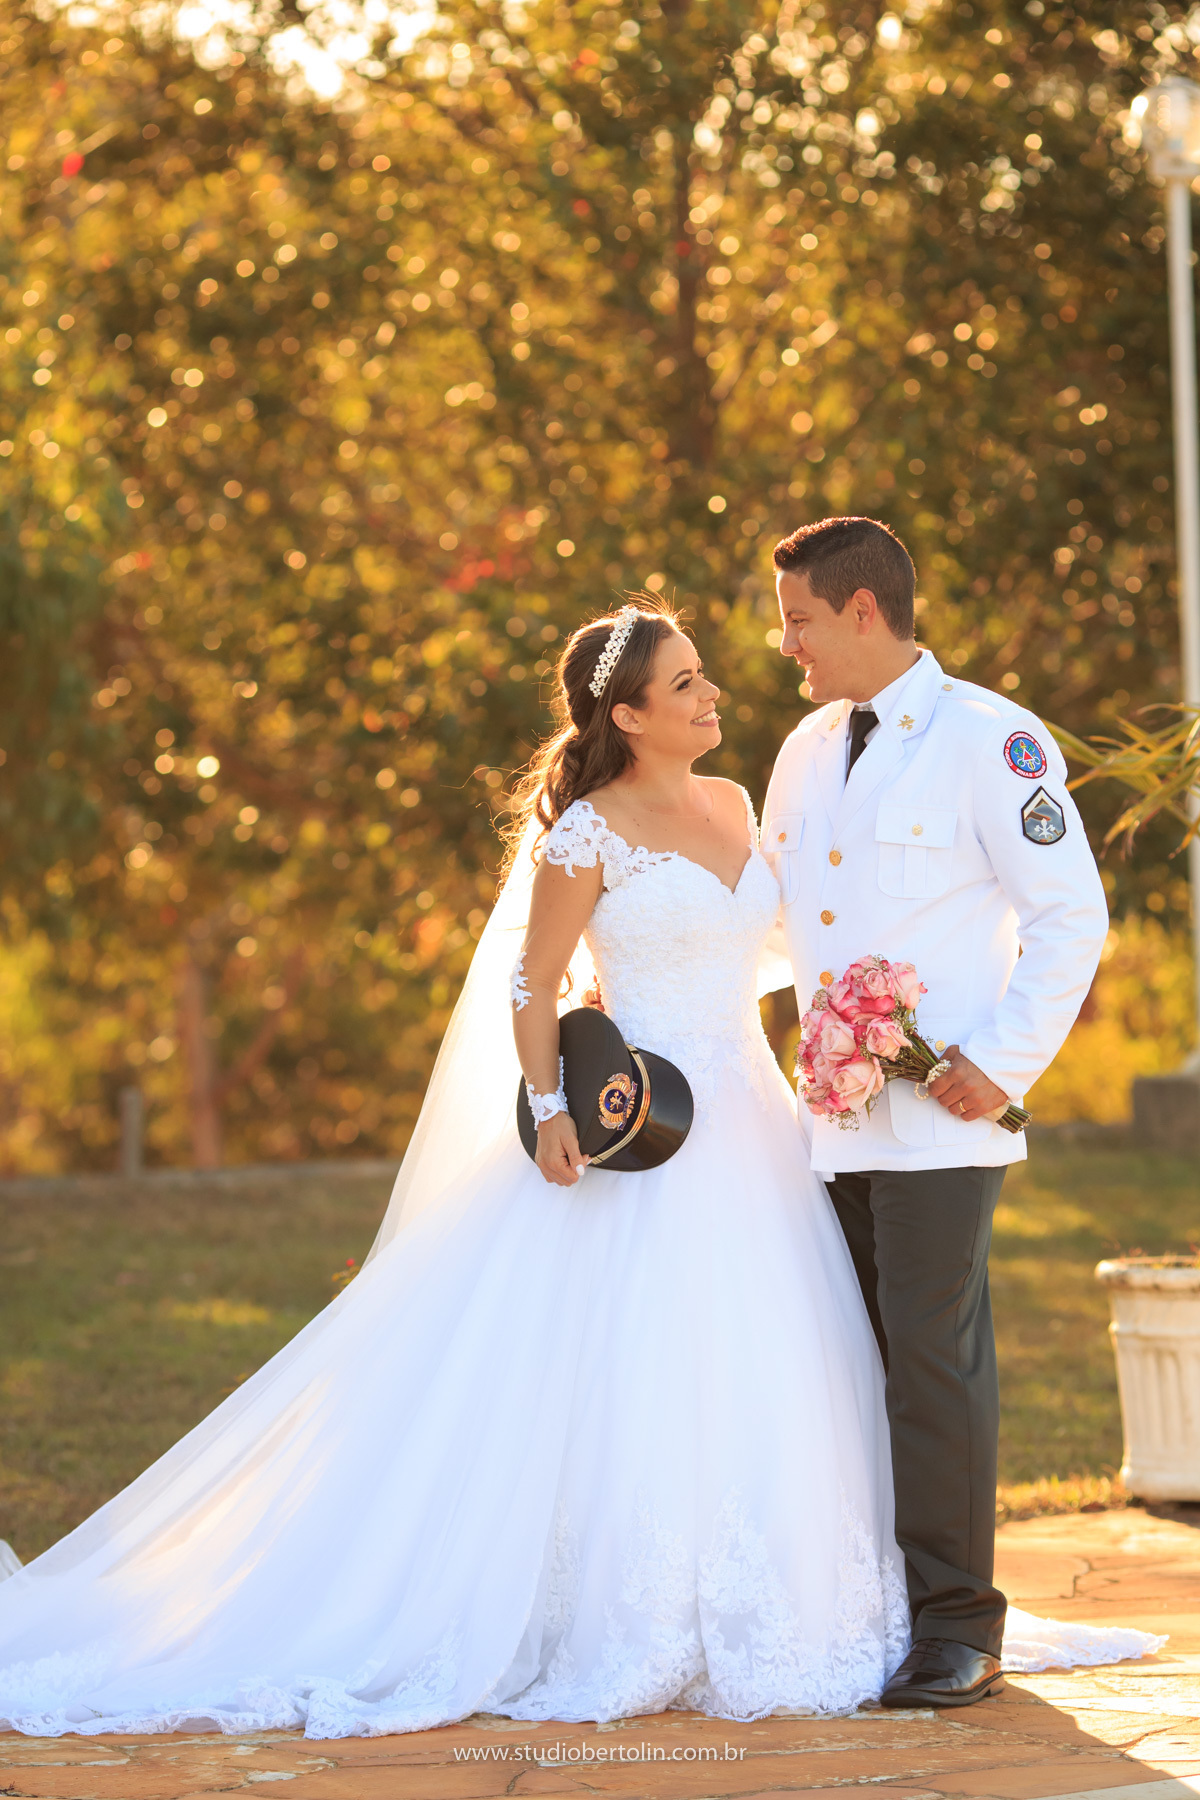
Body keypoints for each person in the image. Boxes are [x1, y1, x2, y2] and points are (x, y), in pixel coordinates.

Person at [0, 600, 1156, 1741]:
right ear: (630, 716)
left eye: (705, 673)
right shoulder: (583, 834)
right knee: (638, 1356)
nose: (714, 692)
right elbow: (533, 977)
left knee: (776, 1350)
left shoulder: (739, 800)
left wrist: (875, 1013)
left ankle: (817, 1597)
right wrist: (552, 1105)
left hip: (757, 1121)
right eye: (687, 683)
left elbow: (772, 938)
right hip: (639, 1127)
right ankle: (615, 1607)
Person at [762, 516, 1112, 1708]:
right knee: (847, 1364)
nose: (787, 645)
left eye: (801, 620)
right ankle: (875, 1608)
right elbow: (785, 924)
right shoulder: (806, 750)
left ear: (864, 611)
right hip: (823, 1124)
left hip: (941, 1120)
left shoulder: (989, 740)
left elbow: (1070, 916)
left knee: (930, 1366)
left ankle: (961, 1626)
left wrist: (1002, 1065)